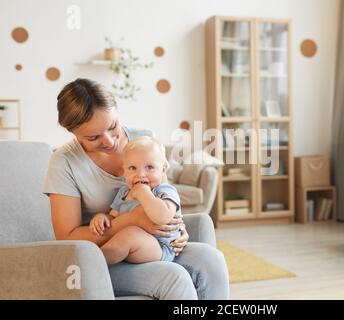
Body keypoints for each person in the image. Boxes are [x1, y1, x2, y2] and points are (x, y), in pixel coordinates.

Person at [43, 78, 228, 299]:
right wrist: (133, 219)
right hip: (106, 258)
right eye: (93, 137)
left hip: (154, 245)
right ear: (71, 131)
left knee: (211, 260)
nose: (110, 141)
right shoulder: (64, 162)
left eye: (113, 127)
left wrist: (177, 225)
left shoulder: (145, 140)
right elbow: (67, 239)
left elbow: (164, 191)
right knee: (174, 277)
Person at [90, 137, 182, 264]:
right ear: (124, 171)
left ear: (163, 170)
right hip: (133, 244)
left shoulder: (165, 190)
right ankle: (93, 259)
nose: (140, 174)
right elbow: (114, 217)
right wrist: (103, 218)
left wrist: (143, 192)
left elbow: (163, 217)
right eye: (132, 168)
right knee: (124, 235)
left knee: (130, 234)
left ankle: (94, 263)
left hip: (160, 247)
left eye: (149, 167)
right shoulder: (124, 192)